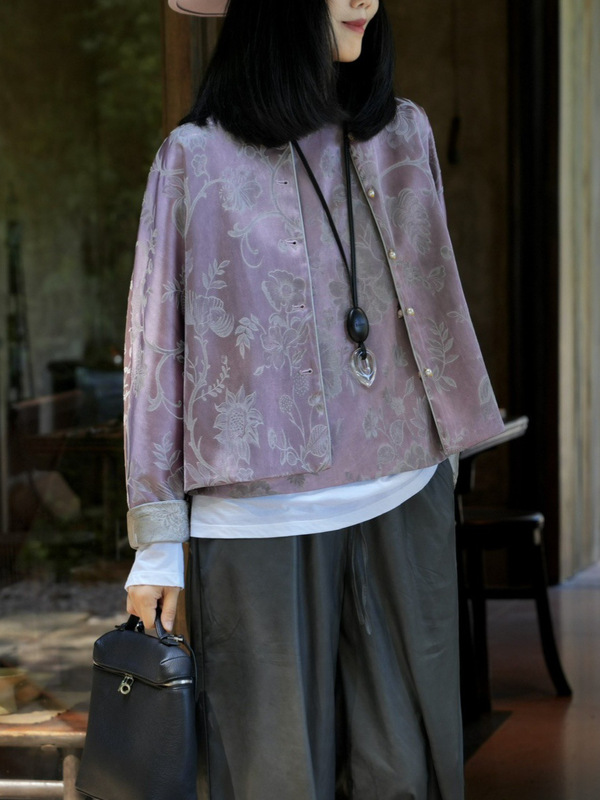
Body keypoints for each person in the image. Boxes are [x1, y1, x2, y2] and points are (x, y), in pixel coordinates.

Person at [125, 0, 504, 798]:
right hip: (258, 518)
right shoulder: (195, 159)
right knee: (275, 780)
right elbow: (155, 356)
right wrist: (157, 544)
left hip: (405, 493)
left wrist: (446, 453)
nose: (363, 0)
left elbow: (432, 308)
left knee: (410, 774)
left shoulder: (405, 135)